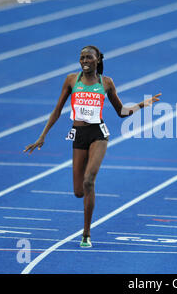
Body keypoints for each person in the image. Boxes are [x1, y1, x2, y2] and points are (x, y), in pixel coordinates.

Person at [24, 45, 161, 248]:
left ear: (97, 60)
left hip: (98, 134)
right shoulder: (71, 80)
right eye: (82, 58)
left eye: (89, 58)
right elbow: (57, 110)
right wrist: (42, 135)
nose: (85, 61)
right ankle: (86, 212)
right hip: (78, 135)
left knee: (89, 181)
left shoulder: (106, 83)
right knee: (78, 191)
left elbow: (121, 111)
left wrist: (142, 104)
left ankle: (86, 233)